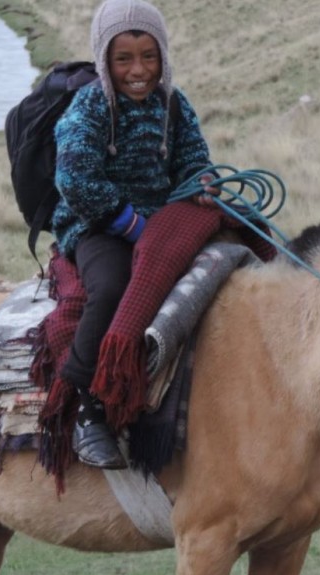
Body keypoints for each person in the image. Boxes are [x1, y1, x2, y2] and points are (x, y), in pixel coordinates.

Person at [51, 0, 216, 470]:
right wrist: (129, 224)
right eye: (124, 59)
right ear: (105, 59)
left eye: (149, 56)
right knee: (113, 287)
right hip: (97, 224)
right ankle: (86, 405)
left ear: (163, 56)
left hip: (159, 220)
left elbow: (193, 158)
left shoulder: (174, 104)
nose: (138, 70)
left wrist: (203, 182)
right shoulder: (89, 107)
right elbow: (74, 178)